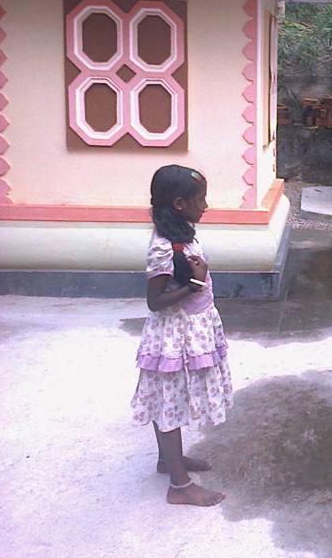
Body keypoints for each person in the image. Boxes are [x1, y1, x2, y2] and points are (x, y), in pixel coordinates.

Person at [131, 165, 233, 506]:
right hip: (175, 336)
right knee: (170, 402)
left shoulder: (183, 232)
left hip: (193, 328)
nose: (205, 205)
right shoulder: (163, 247)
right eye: (199, 199)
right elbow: (155, 301)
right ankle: (179, 486)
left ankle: (167, 460)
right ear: (178, 203)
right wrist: (193, 285)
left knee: (170, 400)